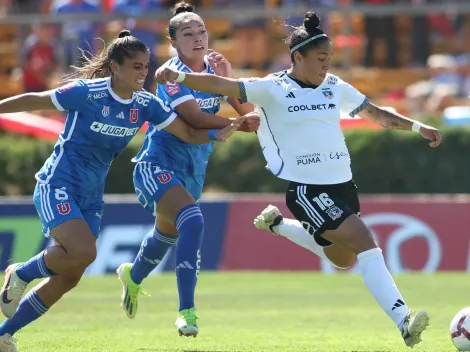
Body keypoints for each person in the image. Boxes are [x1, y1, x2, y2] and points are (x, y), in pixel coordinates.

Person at [154, 11, 443, 348]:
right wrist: (179, 76)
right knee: (364, 239)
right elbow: (223, 86)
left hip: (343, 187)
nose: (326, 65)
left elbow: (375, 113)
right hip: (307, 190)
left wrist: (417, 126)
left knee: (344, 258)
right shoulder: (272, 89)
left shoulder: (334, 86)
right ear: (298, 57)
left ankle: (278, 225)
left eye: (330, 59)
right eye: (321, 59)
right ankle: (403, 320)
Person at [0, 30, 244, 352]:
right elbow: (37, 99)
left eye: (146, 66)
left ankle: (5, 334)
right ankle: (22, 272)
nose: (143, 73)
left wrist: (219, 132)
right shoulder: (87, 92)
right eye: (135, 67)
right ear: (115, 67)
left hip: (91, 195)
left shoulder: (146, 104)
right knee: (85, 253)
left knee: (71, 274)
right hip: (58, 183)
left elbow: (186, 131)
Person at [116, 1, 258, 338]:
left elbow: (250, 116)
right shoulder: (169, 74)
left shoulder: (216, 66)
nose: (198, 38)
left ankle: (133, 276)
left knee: (166, 235)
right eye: (188, 33)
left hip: (193, 168)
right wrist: (236, 121)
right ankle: (186, 313)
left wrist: (229, 81)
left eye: (202, 31)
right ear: (174, 43)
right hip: (157, 164)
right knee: (192, 220)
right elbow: (194, 119)